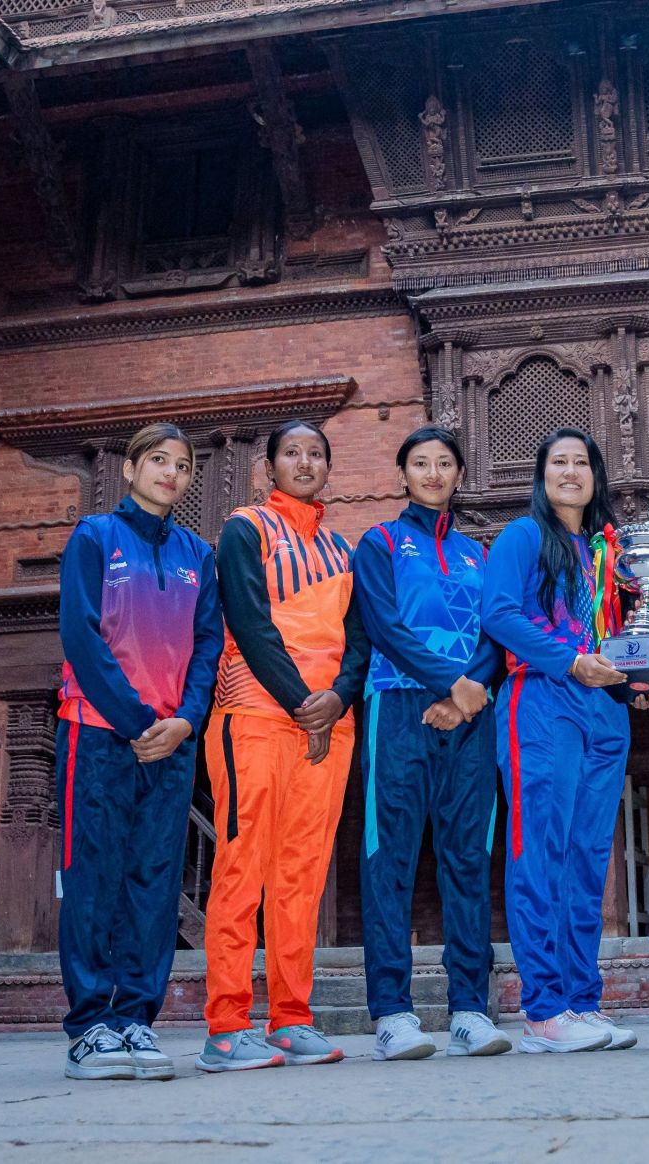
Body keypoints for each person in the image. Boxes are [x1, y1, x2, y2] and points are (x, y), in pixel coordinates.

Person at [197, 419, 370, 1072]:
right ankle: (225, 1027)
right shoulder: (246, 528)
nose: (305, 462)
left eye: (316, 453)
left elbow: (359, 638)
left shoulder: (340, 549)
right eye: (292, 453)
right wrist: (305, 703)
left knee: (302, 878)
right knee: (243, 869)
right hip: (257, 716)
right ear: (270, 468)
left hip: (328, 727)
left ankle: (291, 1018)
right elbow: (248, 619)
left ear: (329, 468)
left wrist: (338, 699)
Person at [54, 423, 223, 1081]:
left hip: (172, 745)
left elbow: (208, 645)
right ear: (129, 469)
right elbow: (81, 633)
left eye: (181, 465)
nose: (170, 474)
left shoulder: (197, 556)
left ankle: (134, 1023)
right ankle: (90, 1028)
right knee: (94, 879)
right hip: (100, 733)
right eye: (157, 461)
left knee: (155, 882)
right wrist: (133, 719)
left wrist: (184, 721)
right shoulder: (94, 538)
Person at [351, 426, 512, 1060]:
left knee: (467, 862)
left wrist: (467, 689)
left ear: (459, 474)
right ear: (404, 475)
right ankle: (392, 1013)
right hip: (397, 707)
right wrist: (450, 682)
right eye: (422, 463)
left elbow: (499, 629)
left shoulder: (479, 552)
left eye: (446, 463)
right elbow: (383, 625)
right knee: (388, 862)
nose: (434, 473)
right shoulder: (381, 541)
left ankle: (470, 1009)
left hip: (470, 714)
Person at [479, 428, 636, 1054]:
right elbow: (500, 614)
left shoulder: (609, 549)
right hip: (541, 701)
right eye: (558, 462)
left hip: (605, 710)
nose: (570, 472)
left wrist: (636, 674)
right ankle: (543, 1011)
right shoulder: (523, 537)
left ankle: (581, 1000)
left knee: (587, 858)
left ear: (596, 476)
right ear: (542, 476)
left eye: (581, 463)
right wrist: (570, 662)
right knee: (539, 853)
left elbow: (627, 627)